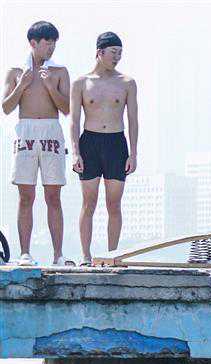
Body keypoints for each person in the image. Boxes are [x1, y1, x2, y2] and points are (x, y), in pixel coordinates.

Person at [2, 21, 71, 266]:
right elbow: (6, 107)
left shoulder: (60, 71)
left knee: (54, 195)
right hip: (26, 130)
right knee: (25, 195)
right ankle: (25, 253)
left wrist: (51, 87)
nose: (51, 47)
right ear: (33, 43)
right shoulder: (16, 71)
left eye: (54, 42)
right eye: (47, 42)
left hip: (51, 130)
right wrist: (21, 86)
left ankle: (58, 255)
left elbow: (66, 108)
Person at [71, 31, 137, 264]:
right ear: (99, 52)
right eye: (113, 52)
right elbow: (74, 120)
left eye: (120, 53)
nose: (117, 57)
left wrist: (134, 154)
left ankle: (112, 256)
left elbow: (133, 120)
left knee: (114, 204)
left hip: (116, 143)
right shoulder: (81, 82)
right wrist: (76, 152)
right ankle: (86, 256)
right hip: (90, 142)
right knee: (88, 202)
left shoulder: (127, 83)